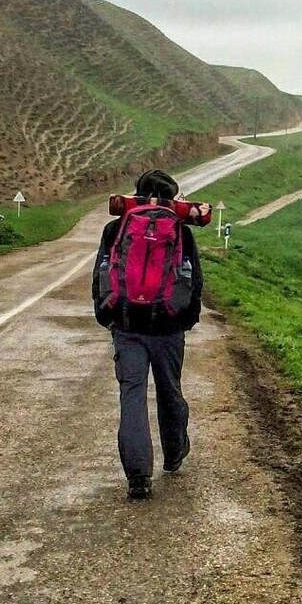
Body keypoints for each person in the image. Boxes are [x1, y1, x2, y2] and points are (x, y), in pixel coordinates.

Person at [91, 169, 203, 500]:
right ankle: (173, 453)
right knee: (170, 391)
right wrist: (188, 319)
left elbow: (101, 274)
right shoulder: (181, 230)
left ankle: (138, 475)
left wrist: (107, 316)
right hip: (168, 327)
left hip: (127, 326)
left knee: (133, 396)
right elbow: (194, 281)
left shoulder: (115, 228)